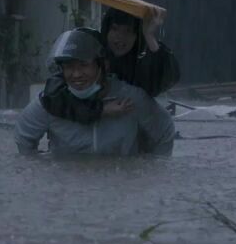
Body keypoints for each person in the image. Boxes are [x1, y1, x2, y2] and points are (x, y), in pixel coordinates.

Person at [15, 28, 175, 156]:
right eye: (69, 67)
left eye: (83, 65)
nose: (76, 74)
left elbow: (165, 132)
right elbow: (23, 137)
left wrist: (148, 169)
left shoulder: (130, 99)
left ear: (103, 65)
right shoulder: (52, 100)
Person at [40, 7, 180, 124]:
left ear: (137, 36)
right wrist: (101, 110)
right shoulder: (91, 56)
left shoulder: (140, 66)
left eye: (128, 31)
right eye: (115, 29)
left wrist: (149, 35)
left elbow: (165, 80)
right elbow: (53, 95)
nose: (120, 37)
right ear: (106, 30)